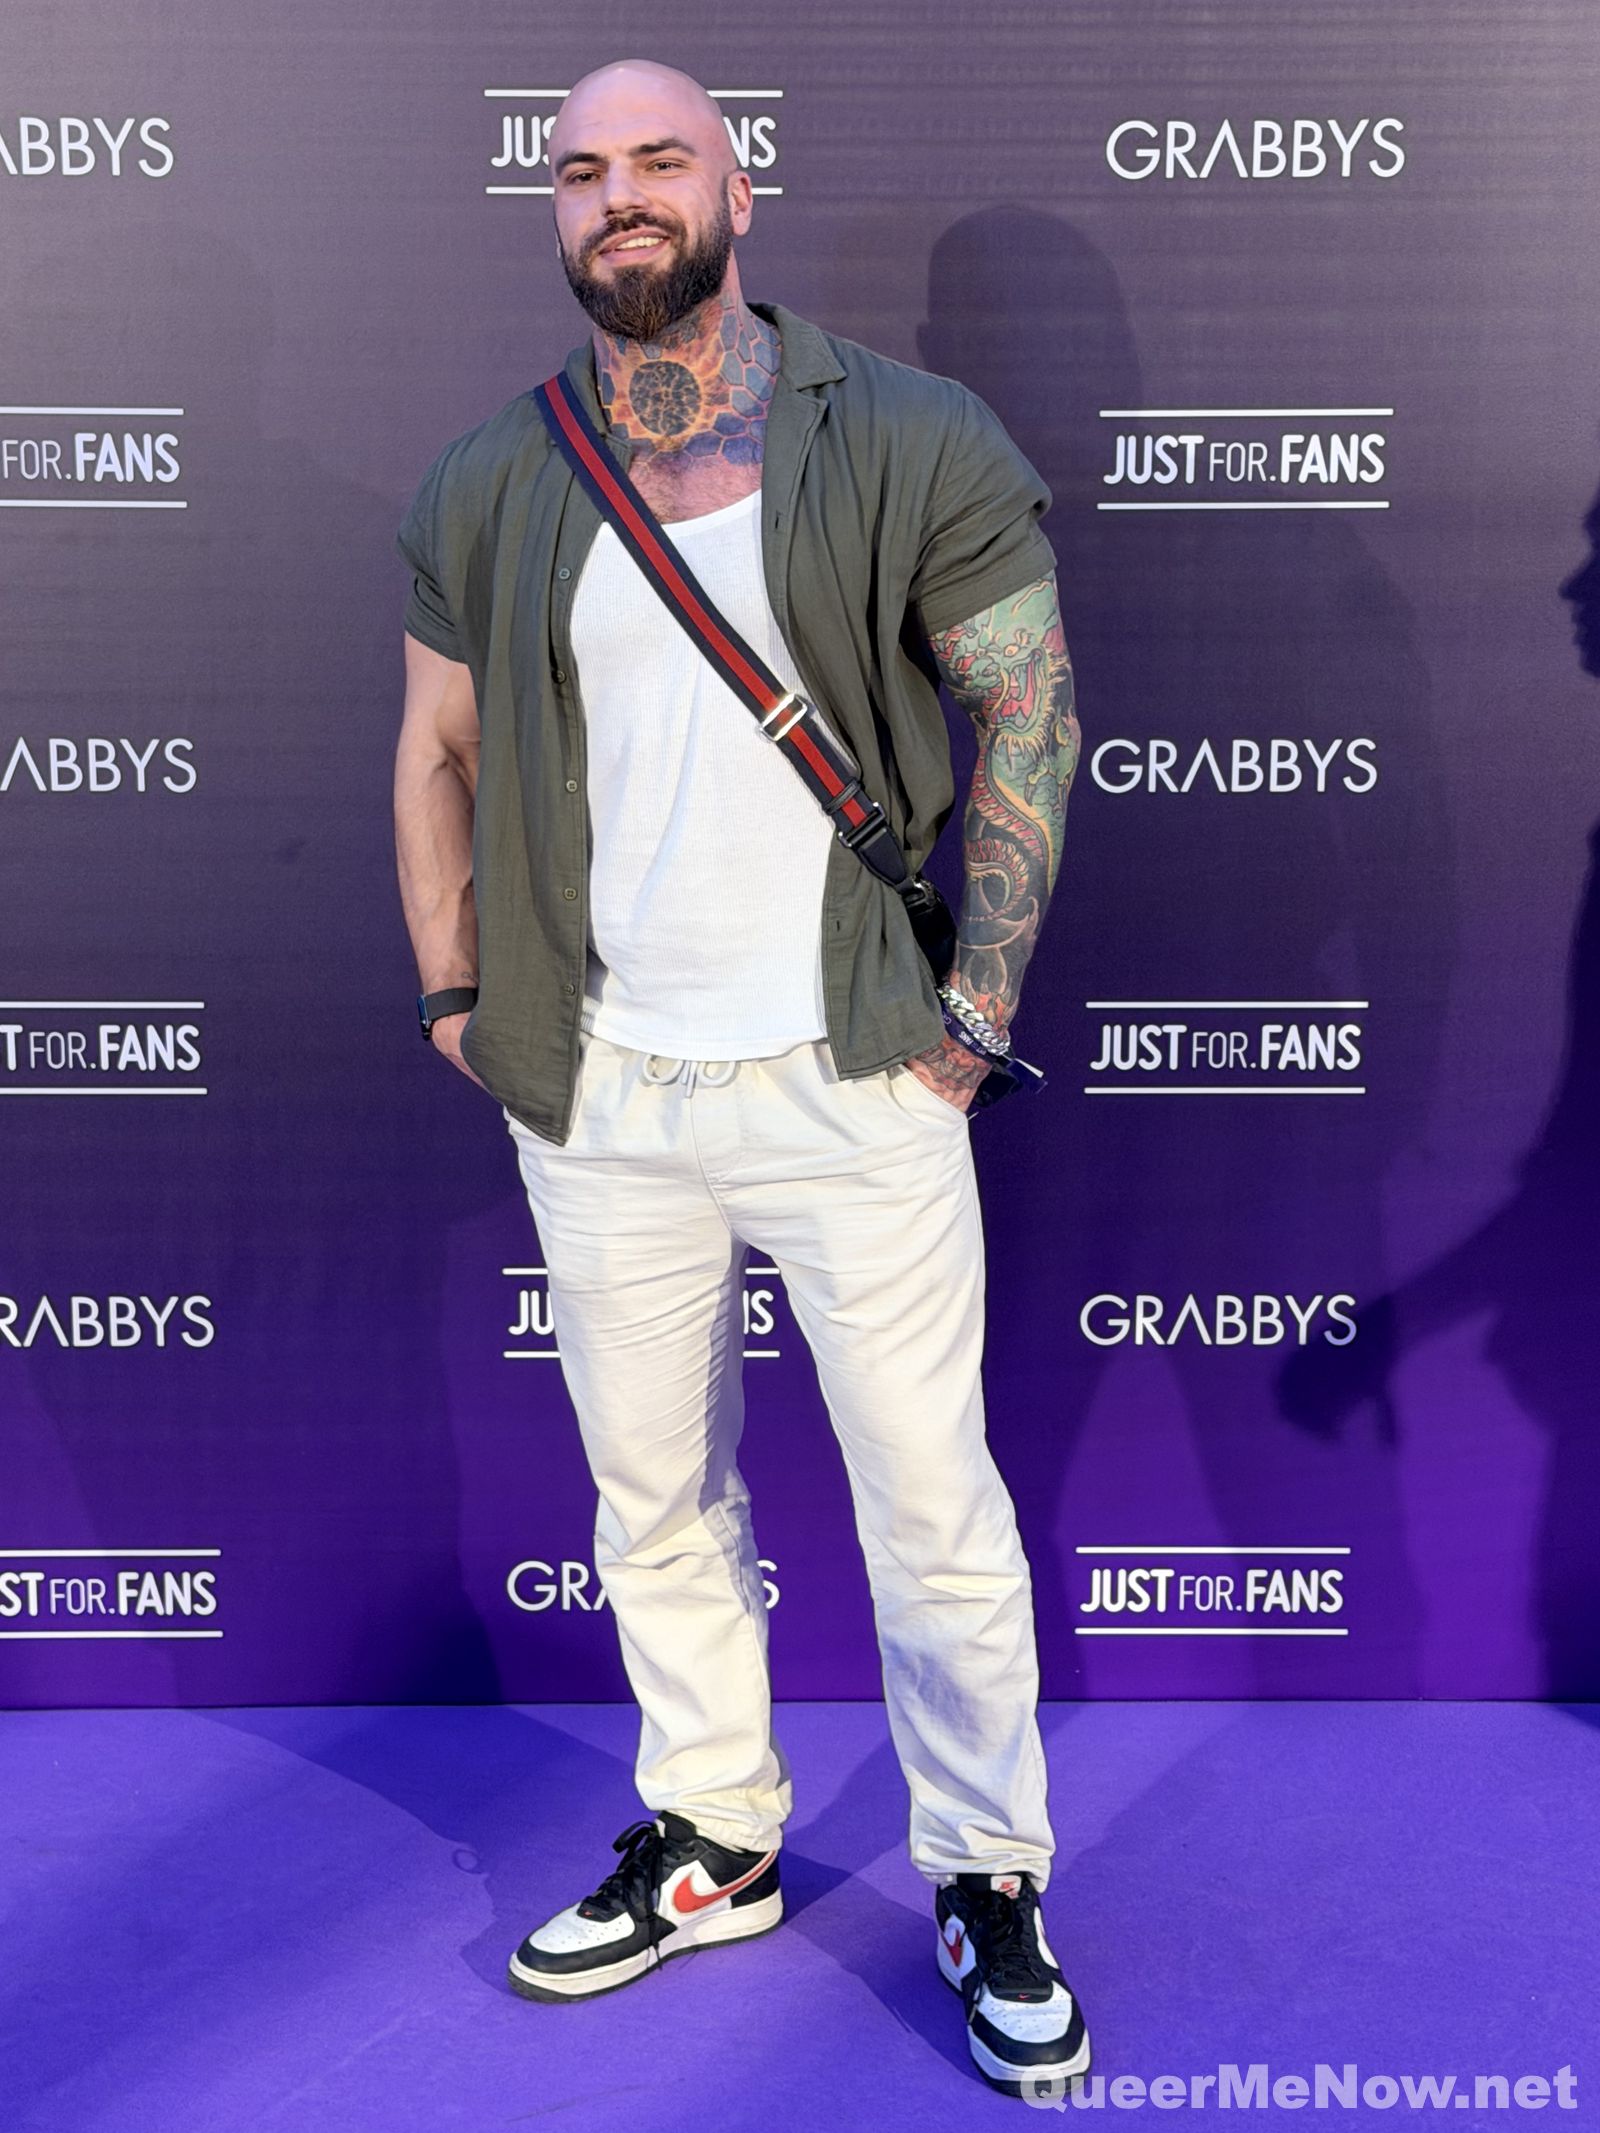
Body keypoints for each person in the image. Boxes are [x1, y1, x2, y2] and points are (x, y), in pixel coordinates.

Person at [392, 56, 1086, 2098]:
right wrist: (456, 993)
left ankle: (984, 1868)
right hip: (603, 1090)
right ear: (553, 207)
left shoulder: (912, 433)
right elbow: (436, 749)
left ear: (736, 188)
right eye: (580, 170)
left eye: (660, 160)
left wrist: (973, 1015)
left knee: (930, 1504)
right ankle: (714, 1831)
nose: (619, 195)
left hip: (857, 1071)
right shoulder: (489, 478)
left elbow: (1029, 718)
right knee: (651, 1499)